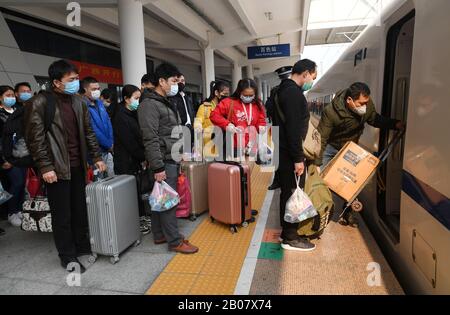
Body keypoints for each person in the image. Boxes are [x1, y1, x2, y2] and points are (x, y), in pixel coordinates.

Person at [24, 60, 106, 273]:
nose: (75, 83)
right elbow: (35, 138)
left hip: (78, 165)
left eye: (76, 79)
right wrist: (45, 167)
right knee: (62, 214)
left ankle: (82, 245)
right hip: (56, 168)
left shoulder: (78, 101)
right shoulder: (40, 103)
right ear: (56, 82)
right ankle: (67, 255)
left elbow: (88, 132)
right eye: (71, 80)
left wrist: (96, 157)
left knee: (79, 210)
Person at [314, 82, 405, 227]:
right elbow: (322, 137)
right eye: (361, 103)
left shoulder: (366, 106)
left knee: (352, 182)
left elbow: (375, 119)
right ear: (349, 100)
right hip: (331, 147)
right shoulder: (331, 111)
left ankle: (348, 213)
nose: (365, 106)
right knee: (321, 181)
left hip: (350, 148)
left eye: (366, 102)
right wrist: (317, 162)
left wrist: (395, 124)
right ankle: (319, 212)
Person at [138, 62, 199, 254]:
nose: (176, 84)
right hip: (163, 161)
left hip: (169, 158)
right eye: (173, 81)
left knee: (160, 199)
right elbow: (150, 138)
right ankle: (174, 241)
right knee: (169, 202)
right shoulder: (150, 105)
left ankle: (159, 234)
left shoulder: (164, 102)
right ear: (161, 81)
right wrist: (158, 168)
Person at [272, 59, 318, 252]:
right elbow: (292, 129)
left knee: (288, 192)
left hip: (283, 151)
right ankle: (290, 237)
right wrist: (298, 159)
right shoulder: (293, 94)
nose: (312, 81)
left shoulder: (281, 90)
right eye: (313, 77)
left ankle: (287, 232)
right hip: (290, 154)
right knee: (292, 193)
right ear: (305, 73)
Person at [112, 85, 150, 235]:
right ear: (126, 99)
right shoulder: (120, 116)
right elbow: (130, 143)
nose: (138, 101)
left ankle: (140, 218)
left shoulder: (132, 112)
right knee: (130, 194)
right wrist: (144, 156)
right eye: (135, 98)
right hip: (125, 161)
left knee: (136, 191)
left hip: (134, 160)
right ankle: (135, 222)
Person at [210, 78, 266, 160]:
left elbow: (261, 120)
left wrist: (261, 128)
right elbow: (214, 115)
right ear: (239, 92)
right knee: (235, 171)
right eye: (245, 95)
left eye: (251, 95)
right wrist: (227, 124)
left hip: (251, 145)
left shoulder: (257, 105)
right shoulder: (229, 102)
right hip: (233, 146)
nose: (248, 97)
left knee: (249, 171)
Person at [0, 85, 25, 228]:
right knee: (16, 182)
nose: (11, 97)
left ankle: (19, 209)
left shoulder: (18, 111)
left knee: (22, 184)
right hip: (8, 156)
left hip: (21, 154)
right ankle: (11, 212)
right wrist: (4, 159)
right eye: (7, 95)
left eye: (12, 95)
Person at [265, 66, 293, 191]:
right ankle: (290, 182)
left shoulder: (275, 91)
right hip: (289, 130)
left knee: (278, 158)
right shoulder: (294, 90)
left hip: (277, 130)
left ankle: (278, 181)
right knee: (291, 157)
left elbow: (269, 108)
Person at [81, 77, 115, 177]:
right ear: (85, 90)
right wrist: (108, 144)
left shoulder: (99, 103)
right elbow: (93, 130)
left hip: (107, 150)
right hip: (95, 153)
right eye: (93, 89)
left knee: (111, 179)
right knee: (98, 182)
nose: (97, 91)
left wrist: (111, 141)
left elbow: (108, 123)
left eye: (98, 88)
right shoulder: (83, 106)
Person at [194, 80, 230, 158]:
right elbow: (198, 121)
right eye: (224, 94)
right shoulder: (204, 107)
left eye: (228, 94)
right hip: (208, 151)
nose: (226, 97)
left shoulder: (228, 110)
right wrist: (198, 127)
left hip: (223, 150)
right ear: (216, 93)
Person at [169, 74, 195, 152]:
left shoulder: (187, 97)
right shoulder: (172, 98)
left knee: (189, 153)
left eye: (183, 81)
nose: (181, 83)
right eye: (178, 81)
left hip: (189, 128)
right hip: (180, 129)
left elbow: (191, 112)